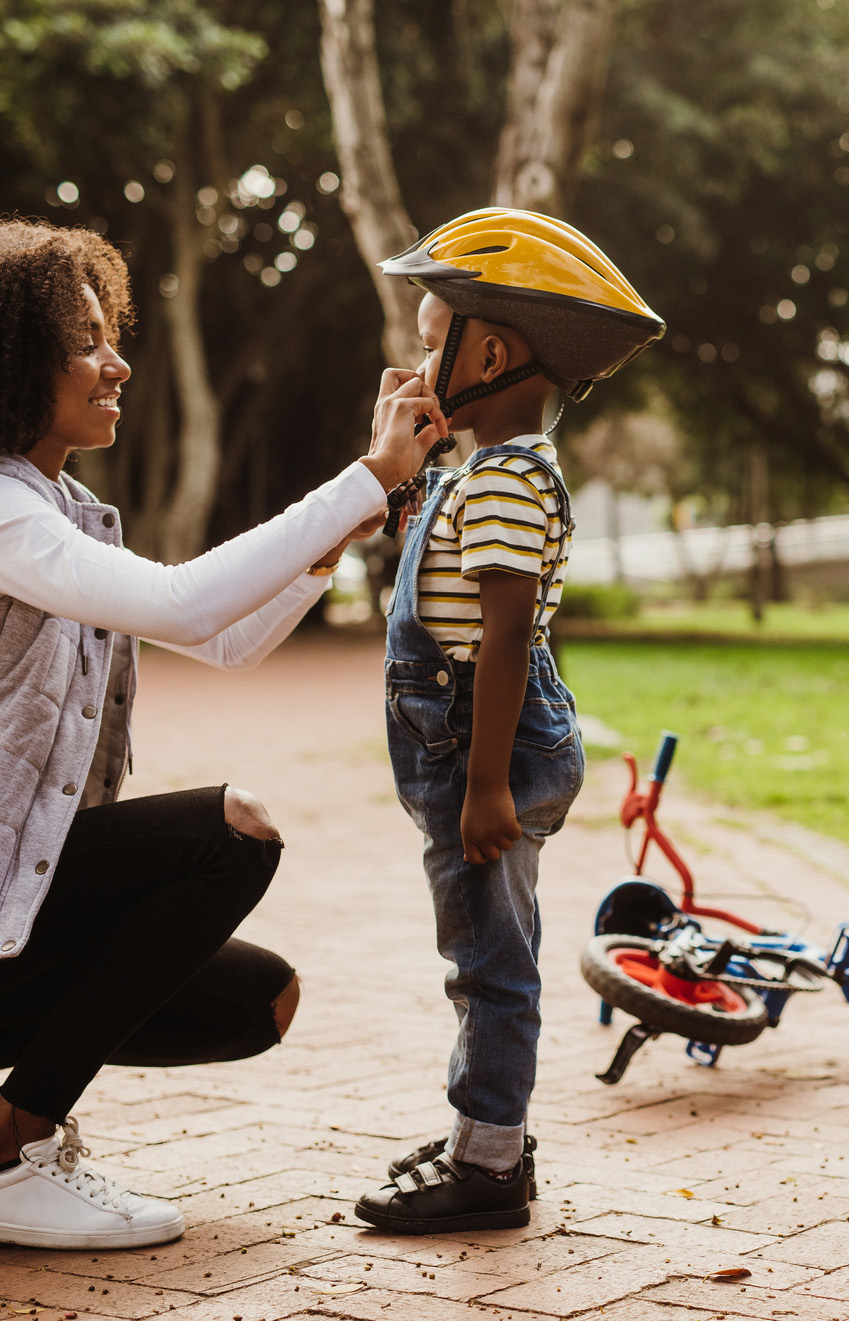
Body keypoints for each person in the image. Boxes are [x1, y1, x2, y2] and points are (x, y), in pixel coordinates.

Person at [0, 219, 447, 1251]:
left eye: (107, 334)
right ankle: (0, 1159)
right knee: (231, 833)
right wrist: (367, 477)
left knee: (256, 1003)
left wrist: (346, 521)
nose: (115, 362)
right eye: (84, 342)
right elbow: (184, 604)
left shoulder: (51, 508)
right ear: (4, 363)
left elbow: (226, 639)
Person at [354, 209, 664, 1233]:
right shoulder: (477, 471)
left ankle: (487, 1163)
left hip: (482, 747)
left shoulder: (509, 479)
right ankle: (478, 1137)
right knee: (486, 948)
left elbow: (502, 635)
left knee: (489, 962)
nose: (414, 353)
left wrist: (485, 782)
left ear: (486, 351)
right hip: (471, 744)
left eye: (427, 328)